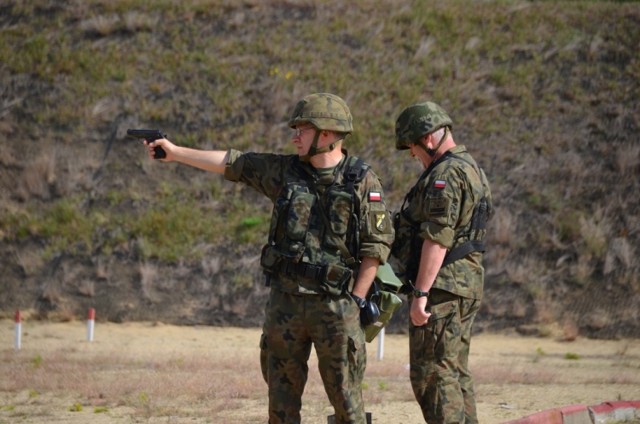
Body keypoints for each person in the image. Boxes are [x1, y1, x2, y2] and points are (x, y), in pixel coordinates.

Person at [144, 93, 394, 424]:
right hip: (285, 306)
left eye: (303, 129)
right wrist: (175, 153)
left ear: (329, 134)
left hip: (336, 307)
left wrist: (358, 302)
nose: (295, 137)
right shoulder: (284, 171)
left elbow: (375, 248)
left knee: (347, 403)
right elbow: (233, 162)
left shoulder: (361, 179)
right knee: (280, 405)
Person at [390, 101, 492, 424]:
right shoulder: (471, 168)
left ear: (429, 138)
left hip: (443, 289)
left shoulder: (445, 175)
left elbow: (437, 238)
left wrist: (420, 294)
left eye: (412, 146)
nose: (411, 155)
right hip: (466, 285)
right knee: (454, 372)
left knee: (433, 374)